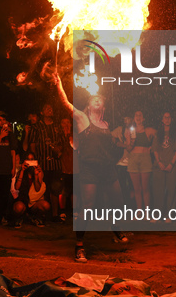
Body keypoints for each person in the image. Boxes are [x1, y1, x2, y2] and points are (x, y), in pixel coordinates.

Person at [54, 74, 128, 263]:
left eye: (99, 99)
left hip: (107, 168)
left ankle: (115, 227)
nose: (97, 100)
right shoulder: (82, 118)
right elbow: (65, 103)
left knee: (118, 202)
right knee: (88, 207)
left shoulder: (106, 124)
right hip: (90, 169)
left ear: (102, 106)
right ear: (89, 103)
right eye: (94, 98)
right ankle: (79, 246)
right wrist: (59, 84)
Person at [29, 103, 64, 222]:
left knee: (55, 188)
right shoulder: (36, 127)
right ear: (42, 113)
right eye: (47, 108)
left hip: (55, 163)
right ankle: (42, 214)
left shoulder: (57, 127)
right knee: (42, 189)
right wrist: (35, 163)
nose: (50, 109)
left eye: (51, 108)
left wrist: (58, 149)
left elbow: (61, 143)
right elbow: (32, 145)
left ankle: (55, 215)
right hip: (42, 163)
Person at [152, 111, 176, 212]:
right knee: (158, 190)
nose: (167, 119)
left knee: (172, 190)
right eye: (165, 117)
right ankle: (158, 213)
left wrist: (171, 164)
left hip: (172, 165)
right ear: (162, 120)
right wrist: (159, 162)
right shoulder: (158, 133)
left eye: (169, 117)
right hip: (160, 164)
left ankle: (170, 214)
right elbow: (155, 150)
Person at [126, 110, 155, 209]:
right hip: (133, 159)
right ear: (134, 118)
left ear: (143, 118)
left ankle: (146, 211)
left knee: (145, 188)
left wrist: (153, 147)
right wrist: (132, 141)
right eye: (136, 115)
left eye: (140, 115)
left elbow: (160, 137)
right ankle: (139, 211)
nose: (138, 117)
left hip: (145, 159)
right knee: (136, 189)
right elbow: (128, 149)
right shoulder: (130, 131)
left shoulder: (149, 130)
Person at [12, 153, 50, 228]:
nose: (30, 162)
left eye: (32, 159)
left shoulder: (38, 171)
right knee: (18, 207)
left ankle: (36, 217)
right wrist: (22, 171)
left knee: (46, 205)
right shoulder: (21, 171)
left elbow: (37, 189)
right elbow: (17, 187)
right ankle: (20, 217)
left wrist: (36, 175)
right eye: (28, 159)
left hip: (34, 202)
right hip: (23, 200)